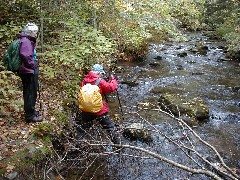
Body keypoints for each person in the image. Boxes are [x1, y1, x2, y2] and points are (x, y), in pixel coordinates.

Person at [76, 64, 121, 144]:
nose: (102, 75)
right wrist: (113, 79)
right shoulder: (100, 81)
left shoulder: (85, 80)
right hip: (99, 110)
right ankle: (118, 146)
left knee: (82, 129)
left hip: (86, 109)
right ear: (99, 73)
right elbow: (111, 88)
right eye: (101, 73)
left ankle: (76, 145)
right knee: (110, 127)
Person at [19, 23, 42, 123]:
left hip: (28, 70)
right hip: (28, 71)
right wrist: (33, 65)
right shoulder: (26, 41)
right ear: (30, 32)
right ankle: (30, 116)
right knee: (30, 93)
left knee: (31, 92)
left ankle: (31, 111)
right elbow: (25, 55)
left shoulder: (26, 40)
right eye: (35, 32)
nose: (36, 34)